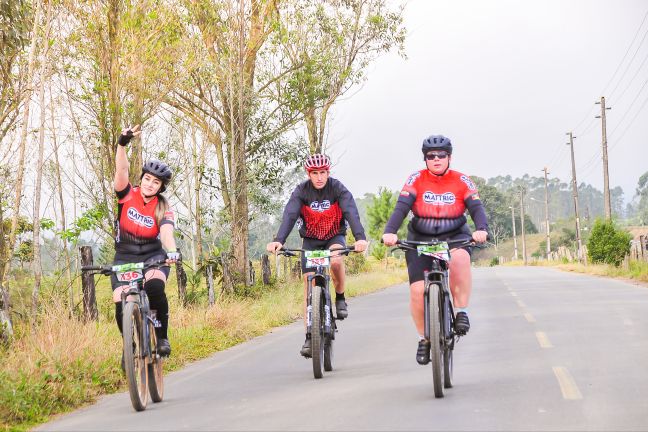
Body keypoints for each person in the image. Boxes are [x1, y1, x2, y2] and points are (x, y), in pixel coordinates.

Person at [382, 135, 488, 365]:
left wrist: (481, 229)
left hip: (454, 236)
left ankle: (461, 312)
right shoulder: (415, 179)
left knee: (460, 260)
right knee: (418, 291)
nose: (436, 159)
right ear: (425, 159)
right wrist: (390, 231)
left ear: (449, 157)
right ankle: (423, 339)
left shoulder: (462, 180)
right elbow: (401, 208)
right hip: (421, 238)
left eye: (441, 155)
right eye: (431, 156)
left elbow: (477, 208)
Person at [266, 153, 368, 357]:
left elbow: (350, 211)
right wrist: (279, 240)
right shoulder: (301, 191)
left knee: (337, 260)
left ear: (328, 173)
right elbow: (290, 214)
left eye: (323, 172)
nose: (319, 177)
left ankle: (340, 297)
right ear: (309, 174)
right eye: (315, 173)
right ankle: (309, 337)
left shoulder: (337, 188)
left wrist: (359, 237)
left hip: (334, 237)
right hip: (311, 240)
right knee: (308, 287)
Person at [112, 124, 180, 367]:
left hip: (154, 257)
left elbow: (166, 233)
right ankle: (128, 345)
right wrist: (122, 143)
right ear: (141, 179)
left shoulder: (163, 208)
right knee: (120, 300)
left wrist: (171, 252)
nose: (151, 184)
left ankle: (162, 336)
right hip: (124, 257)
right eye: (147, 179)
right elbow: (121, 169)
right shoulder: (126, 195)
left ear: (161, 187)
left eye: (156, 182)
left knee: (153, 286)